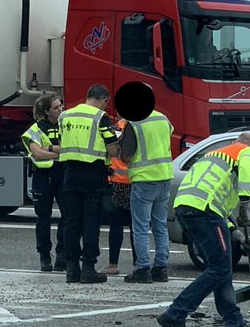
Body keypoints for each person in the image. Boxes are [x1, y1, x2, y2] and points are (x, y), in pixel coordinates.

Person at [157, 132, 250, 327]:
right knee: (219, 269)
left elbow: (219, 201)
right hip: (205, 211)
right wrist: (245, 204)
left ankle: (234, 323)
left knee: (220, 268)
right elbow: (247, 174)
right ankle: (175, 314)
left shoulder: (215, 155)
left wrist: (236, 233)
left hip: (187, 207)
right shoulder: (248, 151)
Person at [57, 84, 120, 284]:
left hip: (69, 174)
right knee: (90, 223)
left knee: (71, 223)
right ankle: (88, 269)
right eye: (105, 103)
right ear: (104, 99)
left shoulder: (65, 116)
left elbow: (62, 142)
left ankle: (71, 270)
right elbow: (112, 150)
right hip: (93, 175)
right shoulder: (101, 118)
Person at [120, 108, 174, 284]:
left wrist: (120, 143)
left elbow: (126, 156)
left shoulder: (134, 122)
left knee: (141, 227)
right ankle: (161, 268)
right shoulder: (163, 118)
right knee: (160, 226)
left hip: (144, 179)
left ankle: (142, 268)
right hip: (164, 176)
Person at [22, 95, 65, 272]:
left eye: (61, 106)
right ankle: (44, 256)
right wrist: (57, 151)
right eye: (56, 107)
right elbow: (37, 154)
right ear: (46, 111)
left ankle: (62, 253)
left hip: (62, 174)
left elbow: (70, 149)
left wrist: (48, 149)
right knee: (43, 218)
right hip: (43, 176)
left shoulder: (66, 126)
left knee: (68, 215)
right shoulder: (36, 129)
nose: (60, 109)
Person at [100, 119, 132, 276]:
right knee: (137, 226)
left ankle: (113, 264)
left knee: (116, 224)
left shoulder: (116, 127)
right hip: (136, 180)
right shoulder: (140, 124)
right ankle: (139, 263)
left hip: (118, 182)